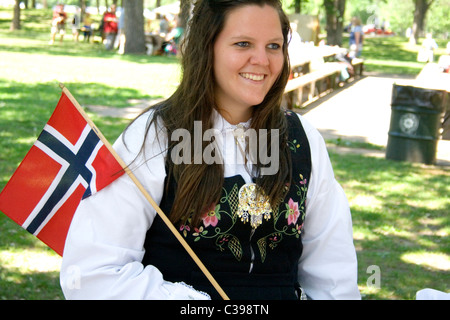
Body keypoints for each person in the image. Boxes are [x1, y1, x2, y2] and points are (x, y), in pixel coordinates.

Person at [60, 0, 361, 300]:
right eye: (243, 44)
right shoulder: (156, 136)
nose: (262, 60)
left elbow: (333, 276)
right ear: (207, 47)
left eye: (274, 46)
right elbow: (93, 274)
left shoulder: (301, 139)